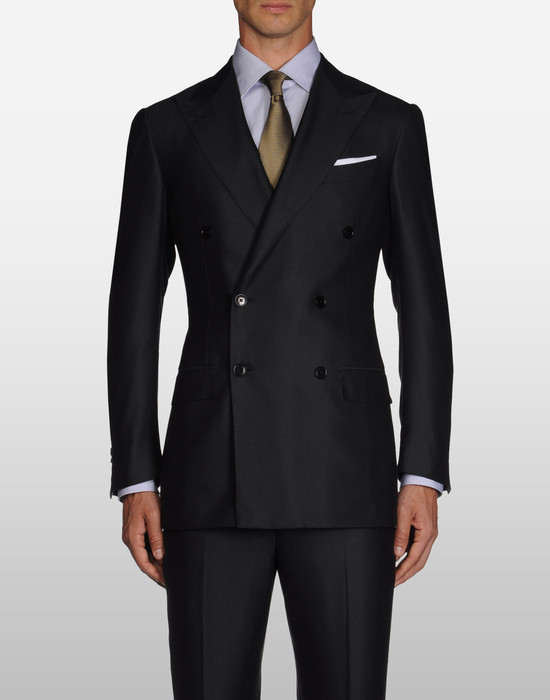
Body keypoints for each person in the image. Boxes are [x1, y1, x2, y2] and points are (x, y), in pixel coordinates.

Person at [107, 1, 453, 698]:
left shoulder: (388, 122)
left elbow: (423, 306)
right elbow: (133, 312)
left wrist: (422, 470)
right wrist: (137, 476)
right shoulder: (165, 128)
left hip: (345, 469)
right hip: (210, 469)